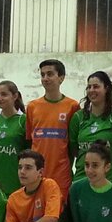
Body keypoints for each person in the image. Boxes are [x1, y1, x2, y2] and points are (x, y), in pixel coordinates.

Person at [69, 70, 112, 189]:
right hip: (82, 182)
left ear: (107, 88)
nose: (91, 90)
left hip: (111, 183)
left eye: (96, 86)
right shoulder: (78, 118)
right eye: (89, 87)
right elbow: (73, 150)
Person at [26, 59, 80, 198]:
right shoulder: (32, 107)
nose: (45, 78)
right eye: (42, 75)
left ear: (61, 78)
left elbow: (73, 145)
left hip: (61, 175)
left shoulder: (72, 106)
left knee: (60, 216)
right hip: (37, 175)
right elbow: (29, 142)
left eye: (50, 74)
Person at [0, 80, 29, 195]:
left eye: (4, 94)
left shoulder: (23, 120)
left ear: (15, 96)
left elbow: (29, 152)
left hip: (14, 179)